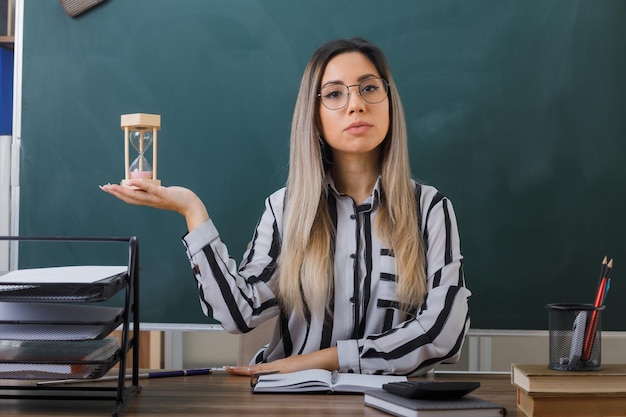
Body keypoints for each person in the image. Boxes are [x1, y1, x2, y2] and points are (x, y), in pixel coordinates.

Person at [101, 38, 471, 376]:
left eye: (369, 88)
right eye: (334, 94)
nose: (356, 104)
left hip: (392, 403)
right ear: (314, 114)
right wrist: (192, 211)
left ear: (390, 102)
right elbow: (239, 313)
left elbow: (444, 333)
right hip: (292, 401)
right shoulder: (286, 210)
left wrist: (323, 360)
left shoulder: (430, 209)